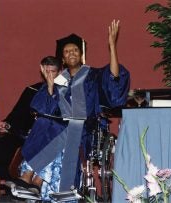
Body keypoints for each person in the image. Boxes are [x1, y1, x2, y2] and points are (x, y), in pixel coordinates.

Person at [16, 20, 130, 201]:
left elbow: (114, 78)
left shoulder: (93, 75)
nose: (71, 53)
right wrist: (51, 85)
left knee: (60, 129)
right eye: (67, 51)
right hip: (59, 126)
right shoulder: (60, 79)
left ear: (81, 55)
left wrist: (112, 46)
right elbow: (44, 108)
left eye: (75, 50)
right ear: (62, 58)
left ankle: (34, 179)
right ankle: (35, 180)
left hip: (85, 129)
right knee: (46, 122)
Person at [0, 56, 61, 181]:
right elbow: (17, 113)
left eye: (52, 72)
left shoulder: (64, 92)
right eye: (47, 71)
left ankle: (28, 183)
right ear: (42, 71)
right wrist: (7, 124)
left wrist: (51, 89)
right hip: (25, 136)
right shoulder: (32, 90)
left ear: (59, 72)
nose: (49, 75)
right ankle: (15, 182)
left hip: (48, 138)